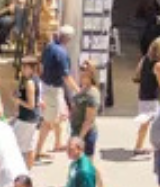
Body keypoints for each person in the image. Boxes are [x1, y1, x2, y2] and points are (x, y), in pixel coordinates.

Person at [35, 26, 77, 161]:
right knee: (48, 122)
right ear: (69, 39)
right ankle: (38, 150)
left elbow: (40, 66)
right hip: (53, 90)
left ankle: (58, 143)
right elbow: (66, 76)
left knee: (60, 115)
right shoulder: (62, 53)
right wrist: (78, 90)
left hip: (49, 87)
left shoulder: (49, 47)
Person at [133, 36, 160, 154]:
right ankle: (145, 146)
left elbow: (137, 74)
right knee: (155, 122)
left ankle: (139, 146)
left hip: (143, 94)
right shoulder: (158, 65)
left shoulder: (145, 59)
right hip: (152, 97)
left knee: (146, 123)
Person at [11, 58, 42, 168]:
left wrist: (17, 100)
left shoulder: (30, 82)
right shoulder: (36, 80)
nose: (22, 69)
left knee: (15, 144)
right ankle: (28, 171)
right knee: (30, 146)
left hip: (26, 118)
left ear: (32, 68)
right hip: (34, 118)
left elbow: (31, 104)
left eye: (25, 67)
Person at [69, 59, 101, 157]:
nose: (82, 72)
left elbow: (89, 120)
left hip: (85, 135)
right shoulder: (83, 88)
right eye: (81, 68)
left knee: (87, 166)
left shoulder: (92, 93)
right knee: (79, 166)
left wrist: (79, 139)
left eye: (85, 69)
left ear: (92, 74)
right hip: (76, 131)